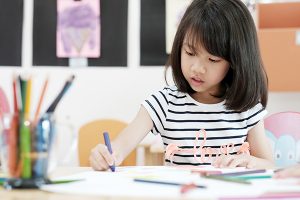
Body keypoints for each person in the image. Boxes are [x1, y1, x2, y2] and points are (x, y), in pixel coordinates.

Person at [89, 0, 274, 171]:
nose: (197, 68)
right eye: (190, 52)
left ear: (235, 61)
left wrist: (251, 162)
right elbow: (118, 149)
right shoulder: (164, 103)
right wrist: (105, 156)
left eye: (212, 59)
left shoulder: (246, 108)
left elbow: (269, 165)